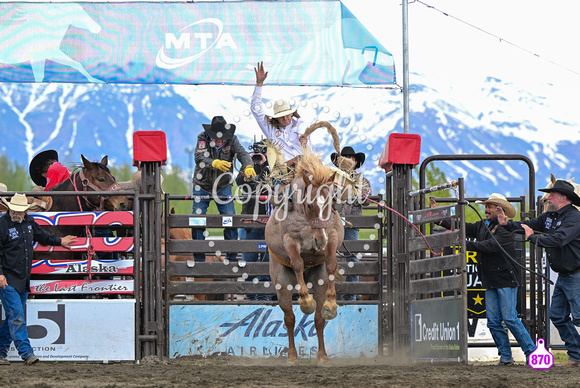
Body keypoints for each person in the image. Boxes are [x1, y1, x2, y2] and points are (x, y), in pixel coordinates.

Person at [431, 193, 536, 365]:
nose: (486, 209)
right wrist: (440, 218)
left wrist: (463, 244)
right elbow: (462, 226)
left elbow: (489, 246)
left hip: (505, 279)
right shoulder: (482, 226)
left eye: (490, 207)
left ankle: (531, 353)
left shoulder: (504, 230)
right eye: (486, 206)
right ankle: (507, 356)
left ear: (499, 210)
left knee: (509, 318)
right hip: (492, 279)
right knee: (494, 321)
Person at [499, 180, 580, 367]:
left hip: (575, 274)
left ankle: (576, 354)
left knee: (576, 316)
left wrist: (532, 238)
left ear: (563, 197)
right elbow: (531, 224)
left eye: (552, 195)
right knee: (558, 315)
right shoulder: (551, 216)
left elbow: (560, 239)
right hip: (565, 275)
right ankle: (576, 354)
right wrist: (509, 225)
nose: (548, 198)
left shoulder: (574, 218)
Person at [0, 193, 76, 365]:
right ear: (10, 209)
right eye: (14, 210)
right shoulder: (2, 225)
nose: (17, 214)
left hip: (23, 279)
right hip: (8, 279)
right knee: (17, 317)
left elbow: (43, 235)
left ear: (25, 211)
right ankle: (27, 354)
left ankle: (0, 352)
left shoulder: (29, 222)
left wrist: (59, 240)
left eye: (20, 211)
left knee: (13, 317)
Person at [192, 116, 255, 262]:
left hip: (223, 186)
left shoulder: (232, 139)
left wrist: (248, 165)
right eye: (216, 138)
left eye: (222, 139)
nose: (219, 141)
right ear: (211, 135)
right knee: (197, 220)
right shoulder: (202, 137)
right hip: (202, 185)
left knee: (229, 219)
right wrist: (214, 162)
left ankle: (231, 258)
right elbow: (199, 157)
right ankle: (199, 260)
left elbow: (243, 154)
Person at [331, 146, 371, 301]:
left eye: (350, 158)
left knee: (352, 259)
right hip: (332, 224)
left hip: (350, 225)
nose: (347, 161)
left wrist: (348, 192)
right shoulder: (332, 179)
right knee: (326, 258)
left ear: (355, 162)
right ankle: (328, 294)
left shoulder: (362, 181)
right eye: (344, 158)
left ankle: (351, 296)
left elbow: (365, 199)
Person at [251, 61, 308, 163]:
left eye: (286, 115)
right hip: (285, 171)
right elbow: (256, 110)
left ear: (292, 113)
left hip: (307, 165)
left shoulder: (301, 123)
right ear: (276, 118)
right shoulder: (270, 129)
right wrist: (259, 84)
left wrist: (303, 139)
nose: (285, 118)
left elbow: (303, 133)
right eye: (281, 116)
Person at [235, 139, 271, 300]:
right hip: (249, 222)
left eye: (262, 153)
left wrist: (264, 164)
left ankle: (264, 296)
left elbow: (276, 182)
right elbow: (240, 183)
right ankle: (250, 296)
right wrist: (248, 163)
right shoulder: (247, 166)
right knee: (248, 263)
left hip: (267, 223)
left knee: (266, 263)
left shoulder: (272, 167)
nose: (258, 156)